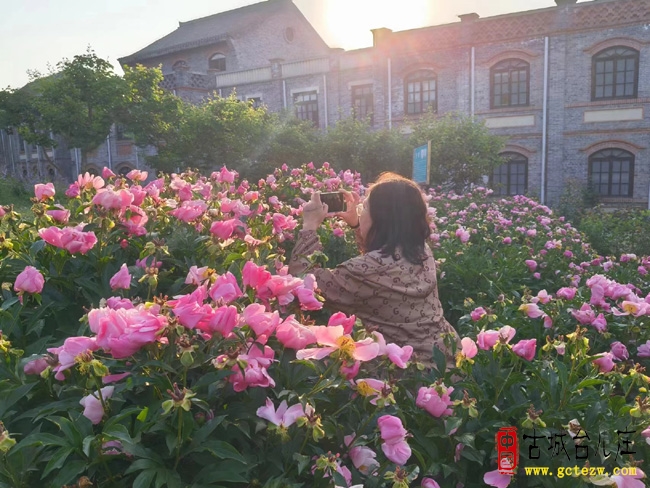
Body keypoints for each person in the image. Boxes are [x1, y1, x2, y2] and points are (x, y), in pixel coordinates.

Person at [288, 172, 460, 367]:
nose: (360, 212)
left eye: (364, 208)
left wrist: (309, 225)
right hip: (449, 358)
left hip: (407, 377)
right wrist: (356, 224)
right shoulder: (421, 250)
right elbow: (382, 254)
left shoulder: (364, 271)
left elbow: (303, 281)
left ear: (381, 219)